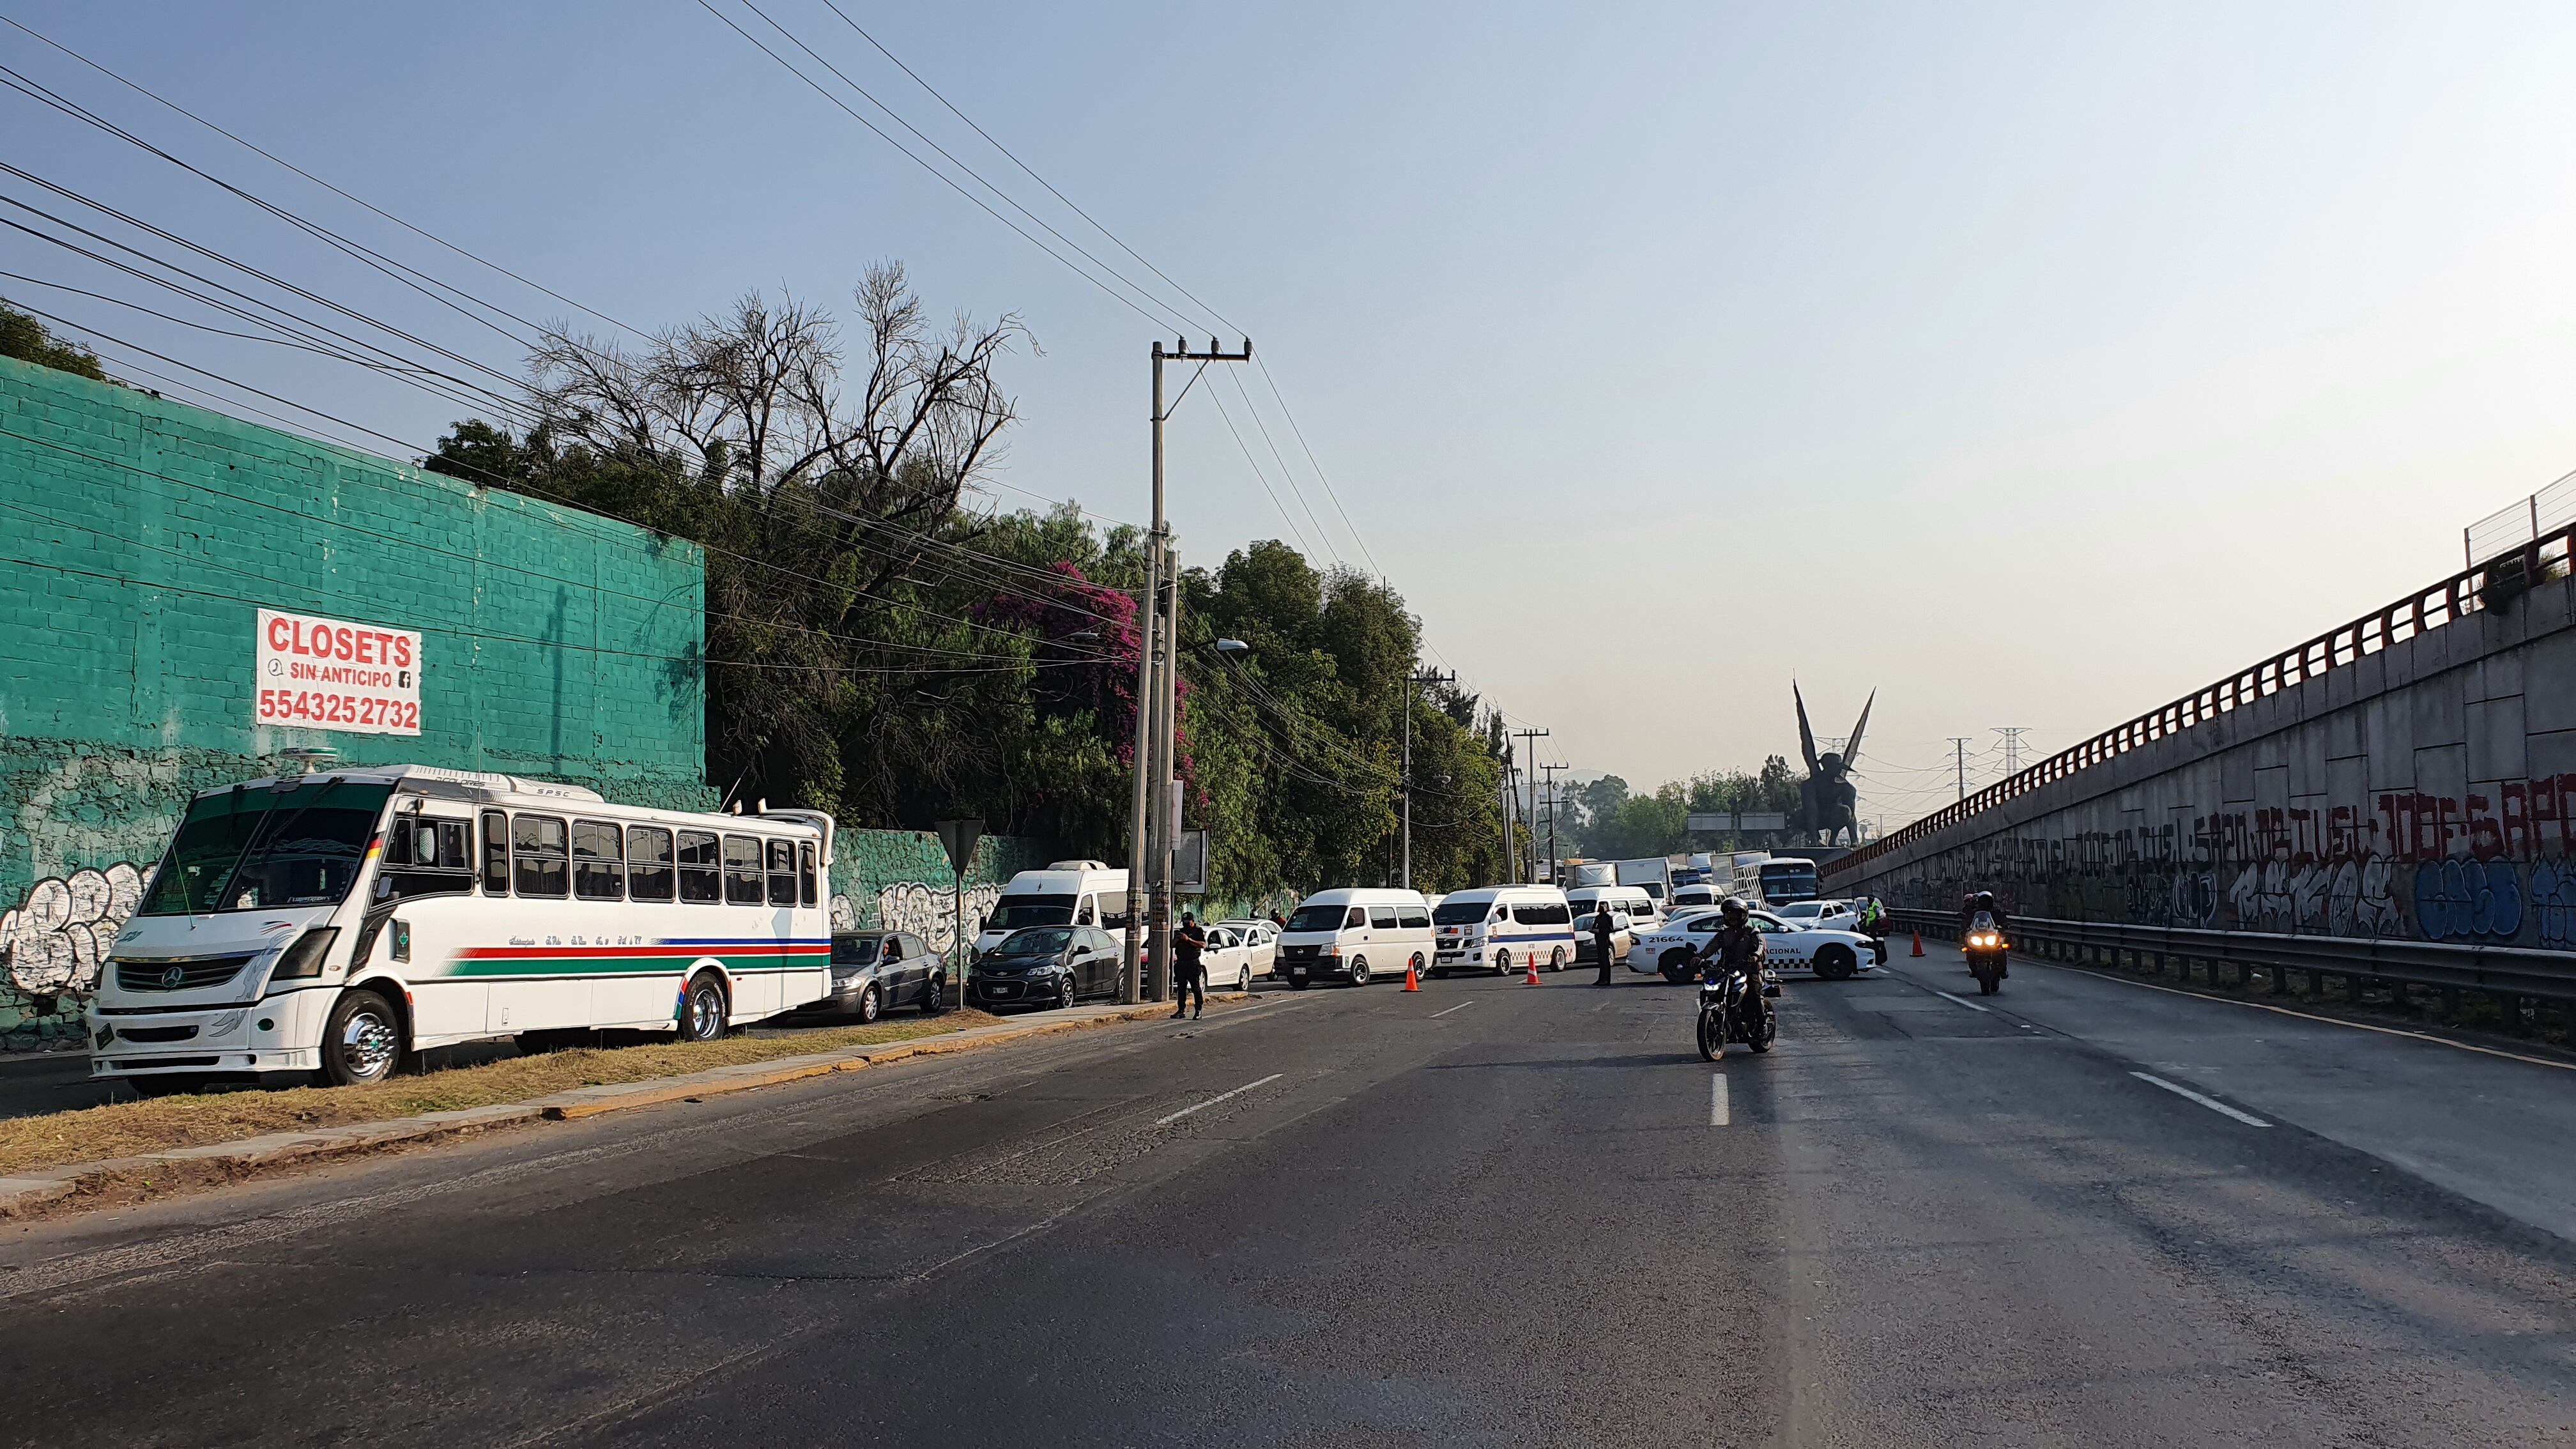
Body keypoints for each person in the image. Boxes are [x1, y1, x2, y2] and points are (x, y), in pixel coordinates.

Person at [1698, 900, 1769, 1038]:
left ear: (1743, 915)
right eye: (1728, 915)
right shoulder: (1724, 933)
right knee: (1712, 989)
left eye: (1735, 915)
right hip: (1728, 970)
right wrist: (1700, 957)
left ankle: (1762, 1025)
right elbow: (1712, 946)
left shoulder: (1752, 932)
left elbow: (1761, 946)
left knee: (1754, 995)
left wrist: (1755, 955)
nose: (1732, 919)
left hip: (1750, 970)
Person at [1171, 912, 1208, 1020]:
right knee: (1181, 988)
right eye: (1184, 923)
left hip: (1193, 962)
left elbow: (1202, 944)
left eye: (1188, 922)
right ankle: (1181, 1010)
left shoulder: (1198, 931)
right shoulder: (1181, 932)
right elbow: (1172, 945)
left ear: (1193, 921)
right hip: (1182, 962)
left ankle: (1198, 1011)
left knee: (1195, 988)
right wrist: (1178, 939)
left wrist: (1188, 940)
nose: (1186, 925)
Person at [1591, 903, 1618, 986]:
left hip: (1605, 941)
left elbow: (1610, 929)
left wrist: (1601, 931)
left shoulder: (1607, 918)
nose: (1601, 909)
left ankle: (1606, 980)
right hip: (1599, 941)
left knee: (1605, 961)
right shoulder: (1598, 917)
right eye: (1600, 907)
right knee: (1601, 961)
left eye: (1603, 907)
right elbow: (1594, 927)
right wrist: (1594, 930)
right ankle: (1601, 979)